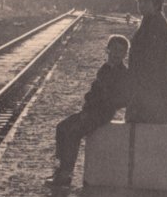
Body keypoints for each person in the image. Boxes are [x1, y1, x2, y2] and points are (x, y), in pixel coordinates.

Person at [46, 34, 130, 187]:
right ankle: (60, 168)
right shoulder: (105, 68)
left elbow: (121, 99)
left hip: (102, 114)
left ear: (125, 54)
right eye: (114, 50)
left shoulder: (123, 73)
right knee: (61, 127)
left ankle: (66, 174)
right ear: (107, 50)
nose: (117, 54)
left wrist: (100, 101)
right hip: (91, 112)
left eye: (121, 51)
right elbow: (96, 92)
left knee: (73, 133)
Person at [125, 0, 167, 124]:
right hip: (143, 89)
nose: (141, 4)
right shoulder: (148, 21)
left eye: (146, 0)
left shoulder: (157, 25)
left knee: (146, 133)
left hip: (150, 90)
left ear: (156, 3)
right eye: (139, 1)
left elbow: (152, 62)